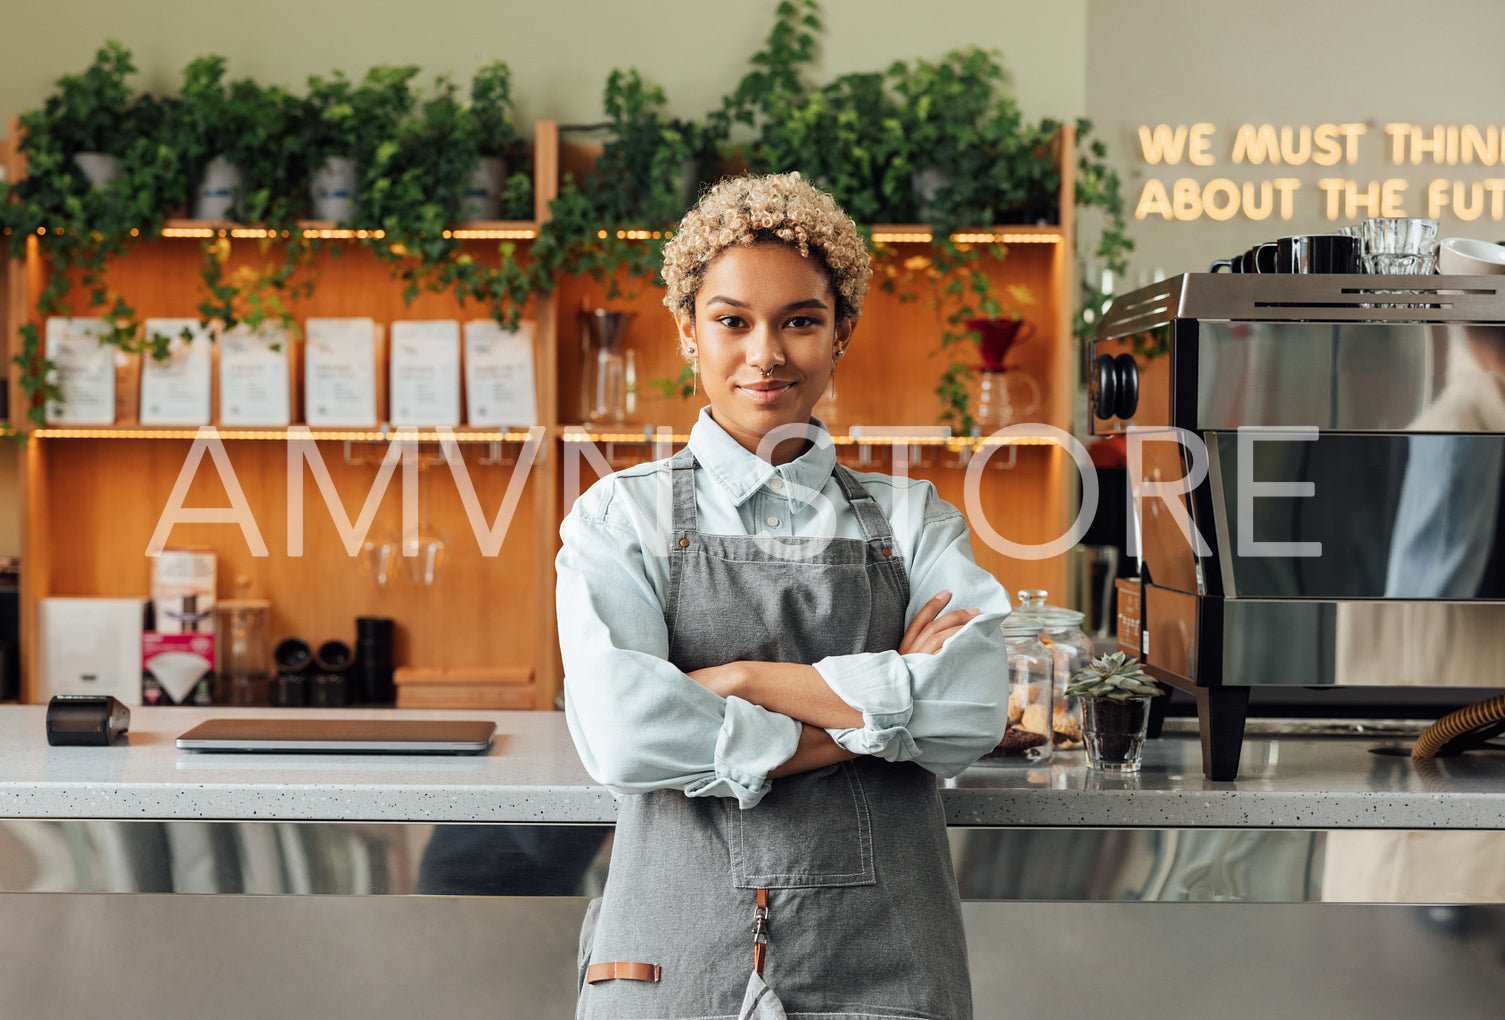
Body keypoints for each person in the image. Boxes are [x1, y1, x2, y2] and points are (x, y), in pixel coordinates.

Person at [556, 172, 1013, 1020]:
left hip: (882, 959)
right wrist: (875, 720)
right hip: (670, 957)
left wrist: (736, 681)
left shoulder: (914, 519)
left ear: (841, 333)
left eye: (799, 321)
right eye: (732, 321)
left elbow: (971, 708)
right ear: (688, 333)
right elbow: (627, 735)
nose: (764, 353)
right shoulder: (619, 516)